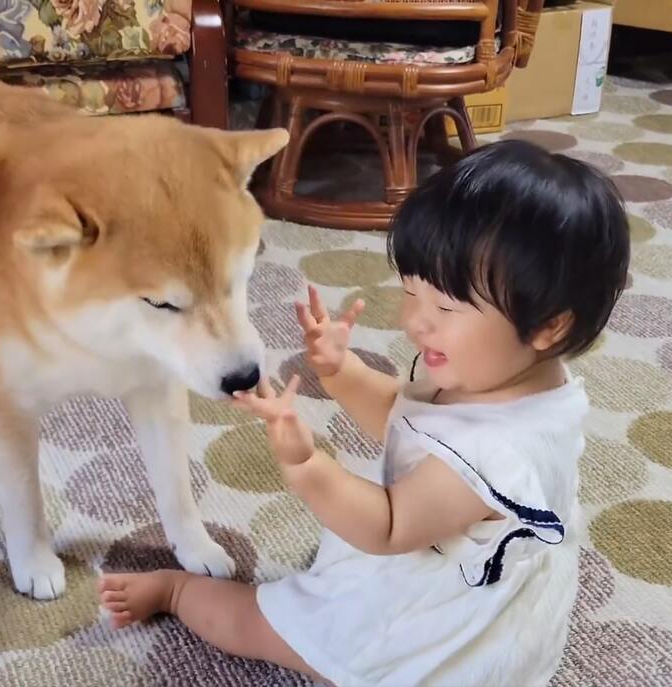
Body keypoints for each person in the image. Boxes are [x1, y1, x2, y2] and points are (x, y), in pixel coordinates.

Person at [98, 140, 630, 686]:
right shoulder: (504, 373)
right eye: (410, 293)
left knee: (269, 626)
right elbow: (409, 422)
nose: (416, 323)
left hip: (438, 620)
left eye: (445, 306)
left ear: (549, 326)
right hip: (454, 559)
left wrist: (309, 467)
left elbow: (390, 525)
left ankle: (177, 590)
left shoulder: (499, 456)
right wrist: (341, 371)